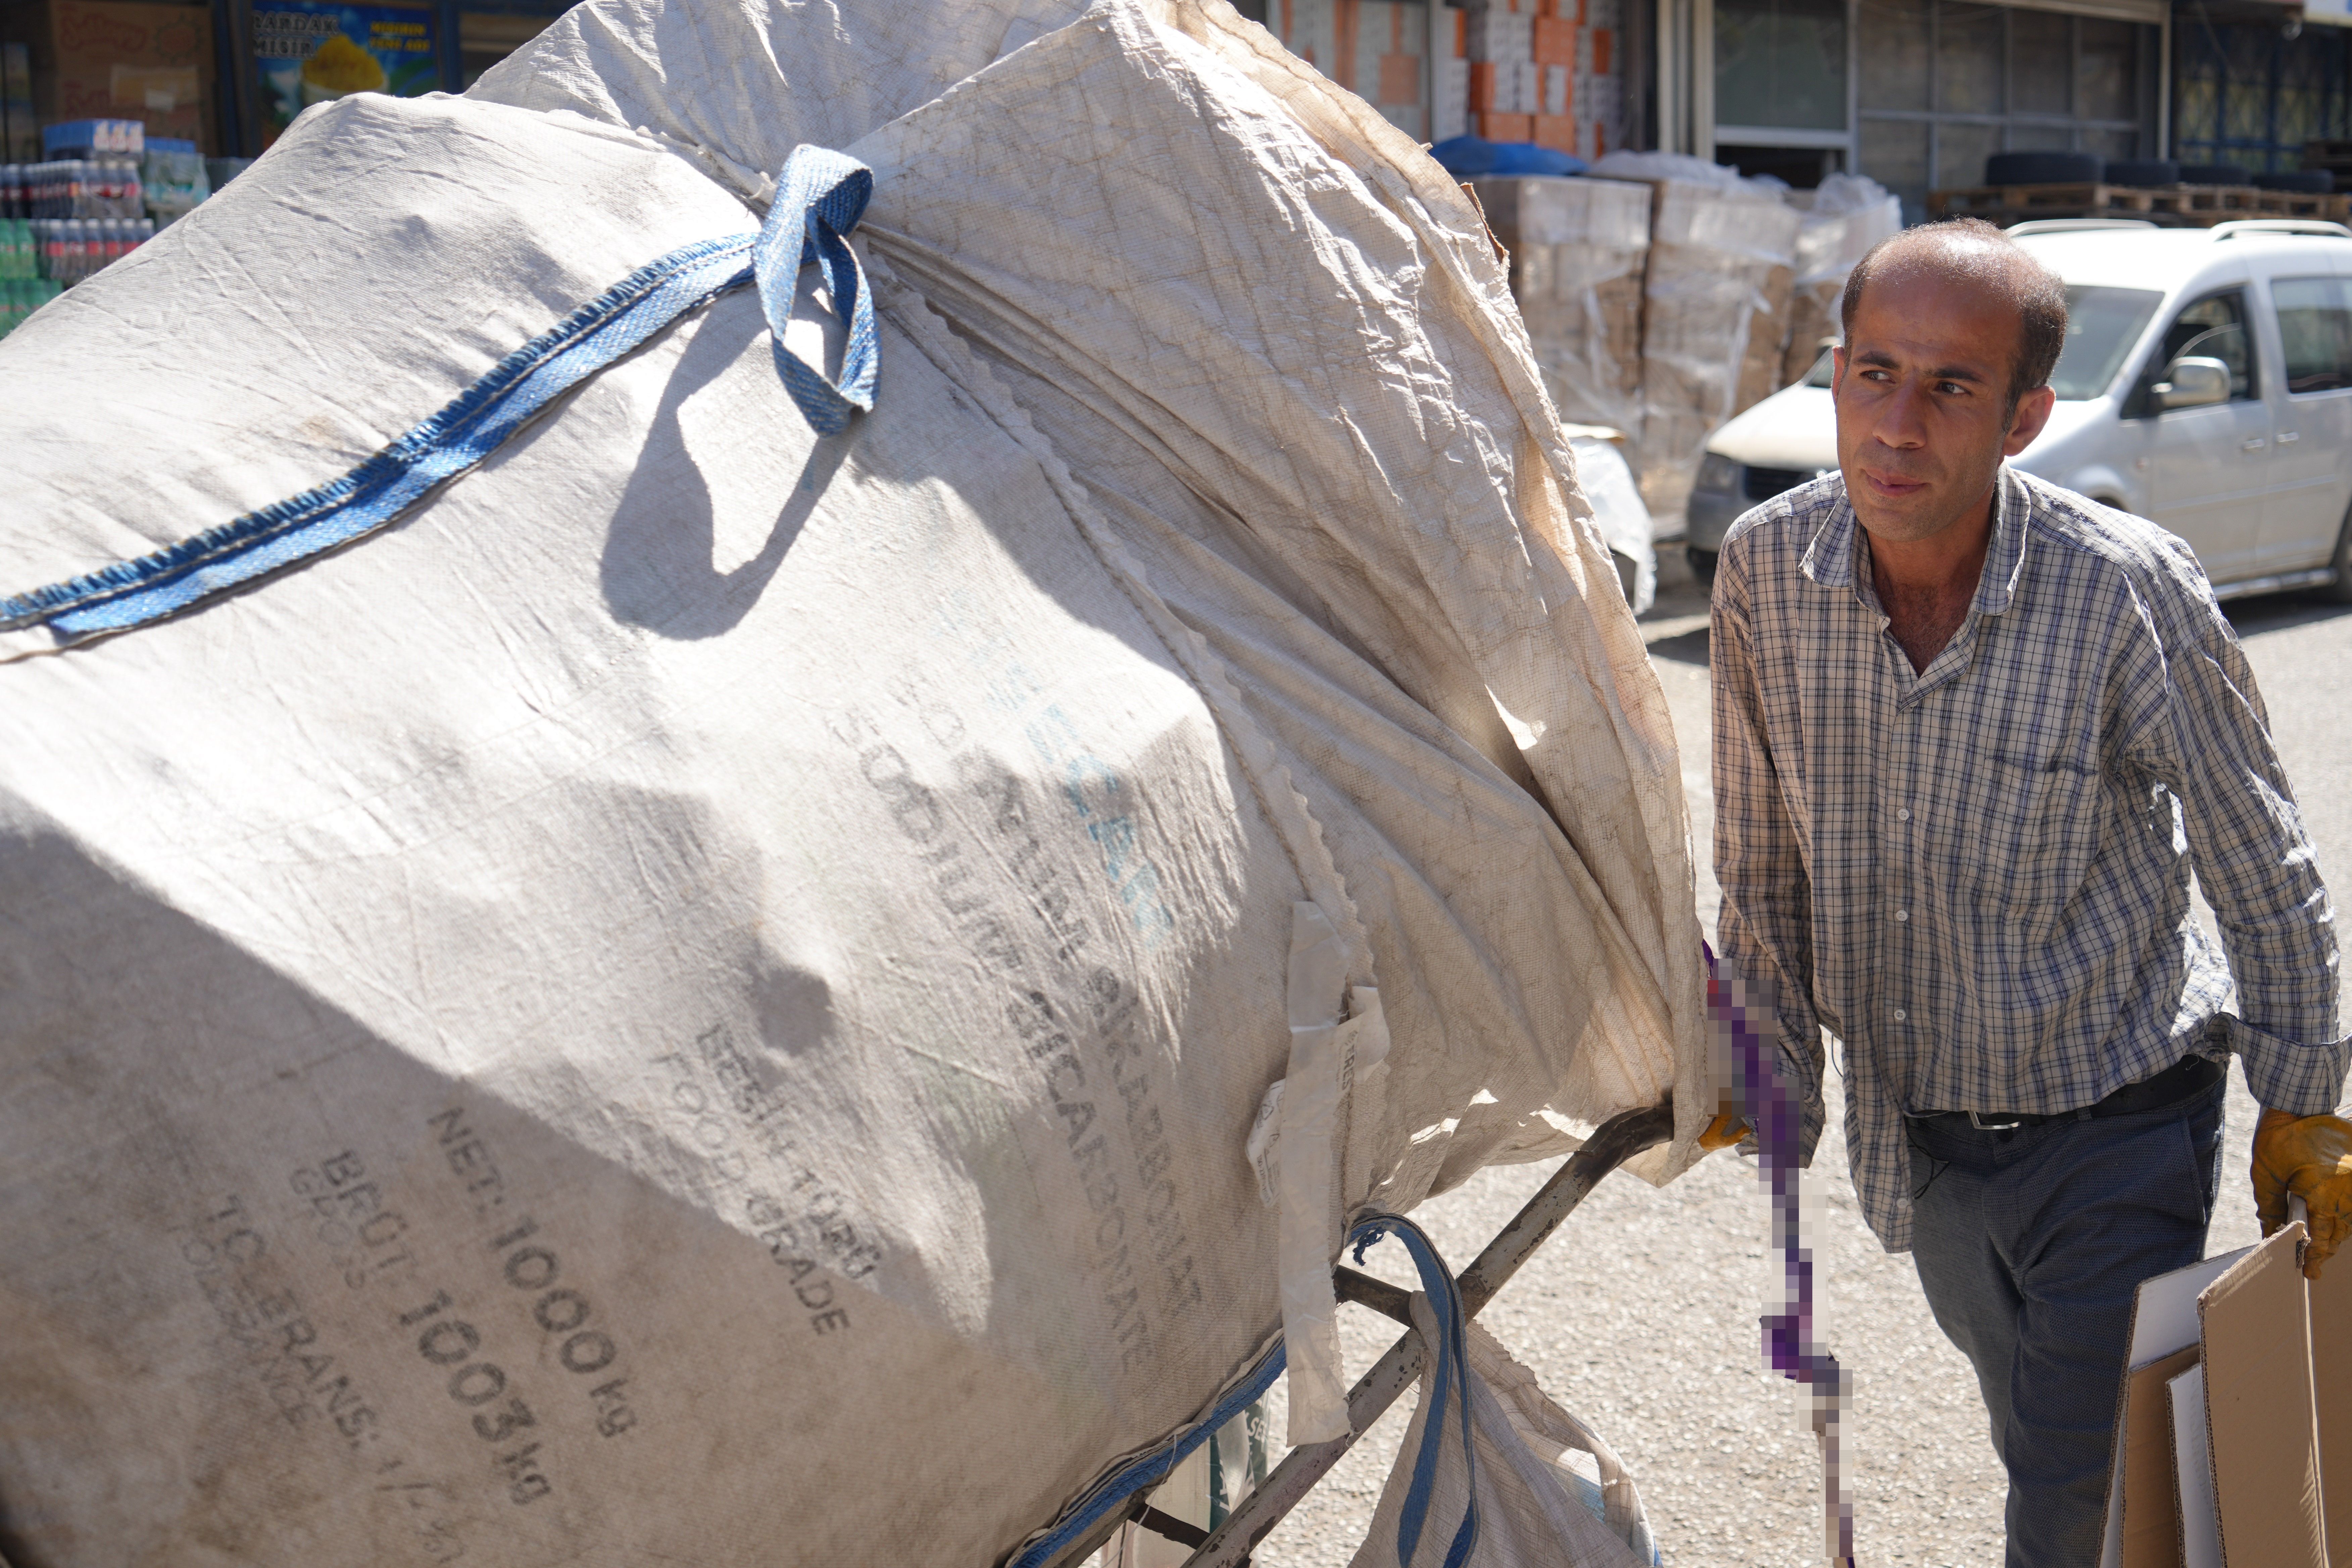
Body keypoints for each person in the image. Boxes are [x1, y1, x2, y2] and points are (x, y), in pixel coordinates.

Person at [1703, 216, 2351, 1565]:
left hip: (2116, 1122)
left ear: (2024, 416)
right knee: (2056, 1442)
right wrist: (1766, 1073)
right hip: (1927, 1139)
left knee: (2069, 1489)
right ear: (1833, 373)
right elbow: (1763, 861)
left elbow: (2259, 855)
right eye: (1875, 372)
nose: (1897, 423)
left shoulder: (2124, 592)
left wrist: (2304, 1097)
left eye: (1950, 387)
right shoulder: (1769, 571)